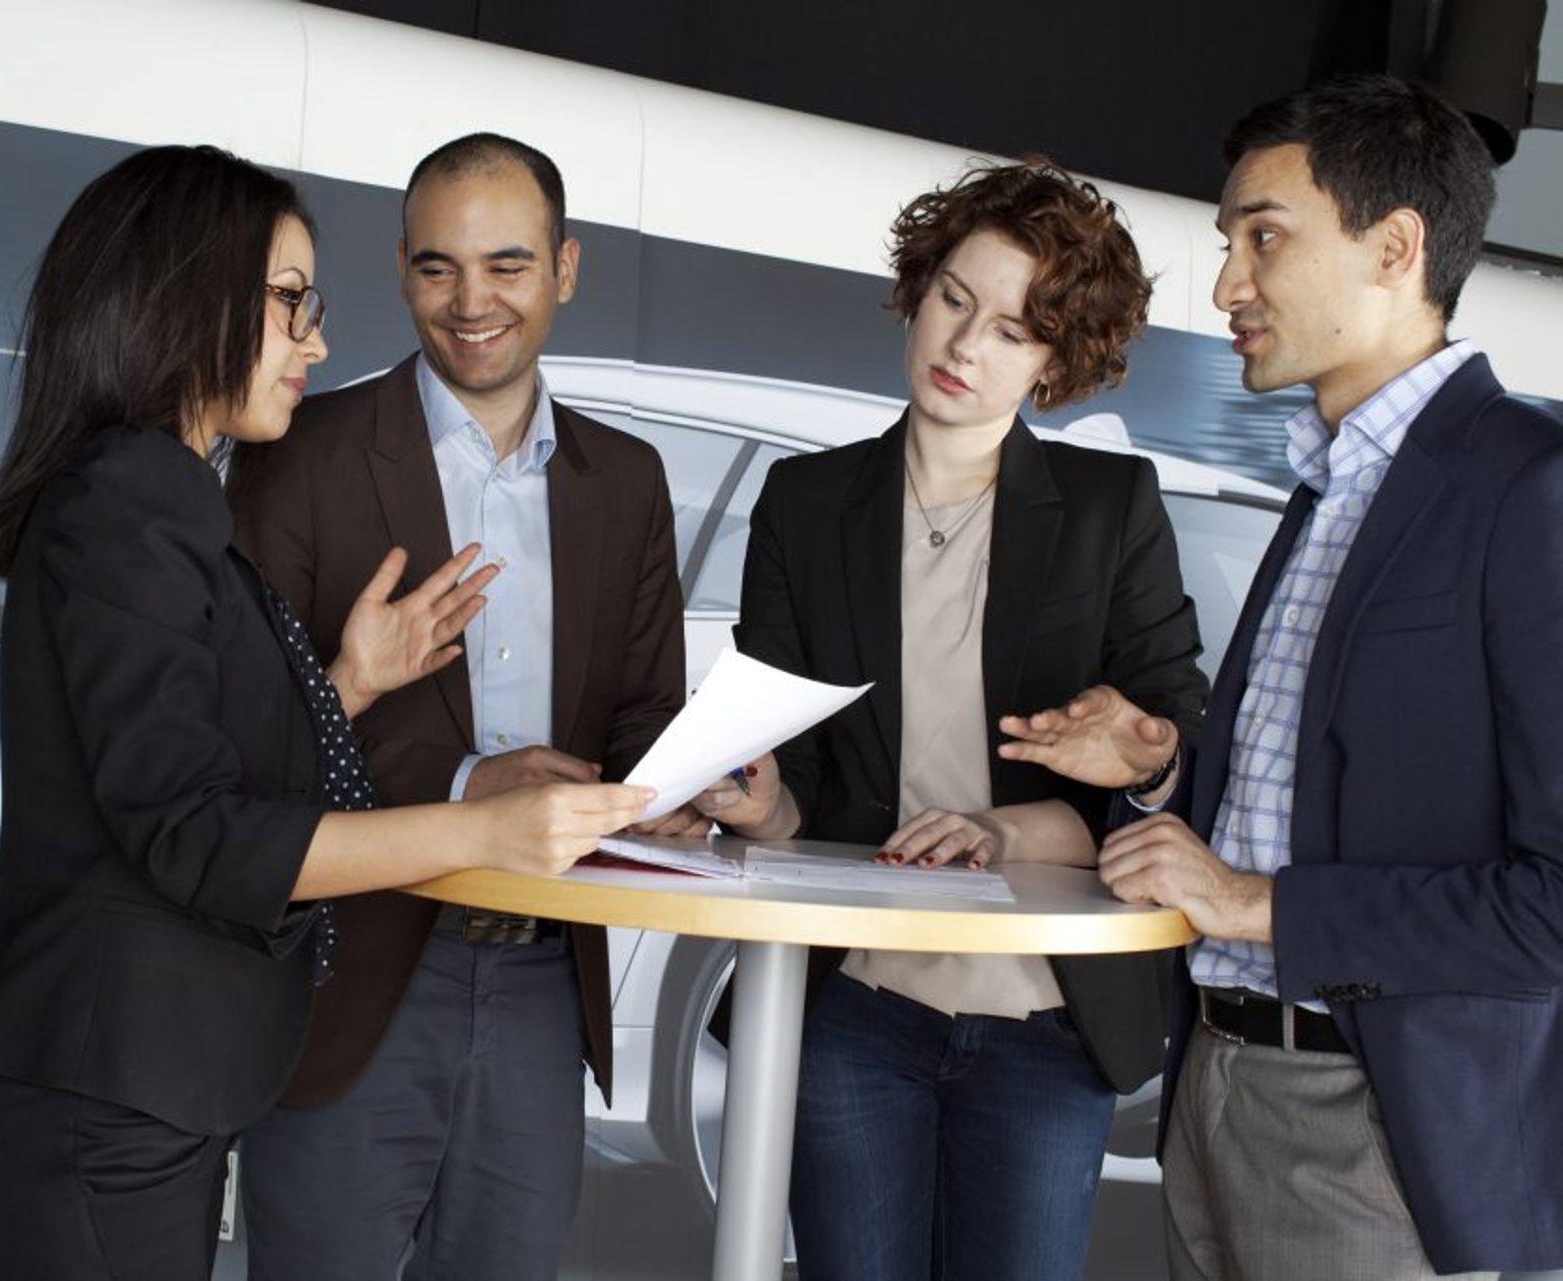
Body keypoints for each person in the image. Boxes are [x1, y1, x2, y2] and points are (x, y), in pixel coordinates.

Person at [0, 144, 652, 1281]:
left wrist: (353, 679)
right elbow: (198, 833)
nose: (315, 338)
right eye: (286, 301)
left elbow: (210, 765)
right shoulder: (134, 503)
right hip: (94, 1097)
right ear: (185, 296)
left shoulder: (160, 498)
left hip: (128, 1101)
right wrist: (482, 827)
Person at [1001, 76, 1563, 1280]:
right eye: (1227, 243)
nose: (1226, 287)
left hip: (1379, 1136)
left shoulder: (1531, 487)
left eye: (1263, 238)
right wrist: (1156, 769)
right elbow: (1308, 798)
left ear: (1394, 249)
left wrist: (1256, 904)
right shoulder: (1330, 486)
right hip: (1218, 1093)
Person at [692, 160, 1208, 1281]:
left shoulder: (1110, 513)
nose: (966, 345)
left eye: (1016, 332)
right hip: (853, 1008)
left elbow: (1171, 743)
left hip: (1046, 1016)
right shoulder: (807, 502)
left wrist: (1134, 761)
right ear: (917, 289)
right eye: (955, 300)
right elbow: (796, 777)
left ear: (1060, 365)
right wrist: (764, 800)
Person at [227, 132, 694, 1280]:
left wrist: (683, 792)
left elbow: (642, 718)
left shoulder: (627, 480)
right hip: (354, 972)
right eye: (438, 267)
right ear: (399, 270)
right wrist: (462, 788)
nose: (471, 301)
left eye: (508, 265)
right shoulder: (300, 454)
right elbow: (243, 751)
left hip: (543, 979)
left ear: (566, 269)